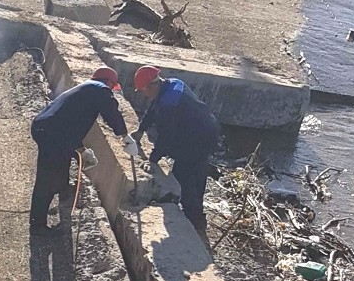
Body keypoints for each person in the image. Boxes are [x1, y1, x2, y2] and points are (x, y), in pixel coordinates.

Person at [30, 66, 139, 235]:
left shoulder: (85, 90)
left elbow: (69, 126)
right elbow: (112, 111)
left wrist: (81, 151)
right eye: (112, 87)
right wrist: (124, 135)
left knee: (62, 162)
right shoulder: (100, 89)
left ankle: (63, 194)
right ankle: (37, 225)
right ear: (109, 82)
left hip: (49, 129)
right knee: (47, 177)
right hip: (51, 133)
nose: (111, 90)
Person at [130, 66, 221, 234]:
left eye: (143, 91)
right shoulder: (172, 84)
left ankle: (193, 222)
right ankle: (199, 220)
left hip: (197, 138)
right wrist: (141, 130)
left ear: (152, 86)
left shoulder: (168, 103)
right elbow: (153, 109)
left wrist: (153, 159)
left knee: (182, 179)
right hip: (208, 129)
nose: (144, 94)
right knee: (198, 174)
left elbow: (166, 136)